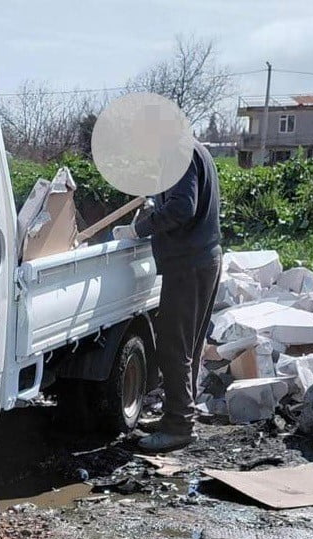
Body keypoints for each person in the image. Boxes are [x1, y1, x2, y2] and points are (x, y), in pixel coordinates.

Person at [113, 139, 222, 452]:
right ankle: (178, 416)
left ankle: (179, 426)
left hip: (188, 264)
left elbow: (183, 207)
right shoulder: (194, 149)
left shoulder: (178, 152)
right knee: (189, 346)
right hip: (201, 257)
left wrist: (141, 228)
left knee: (174, 347)